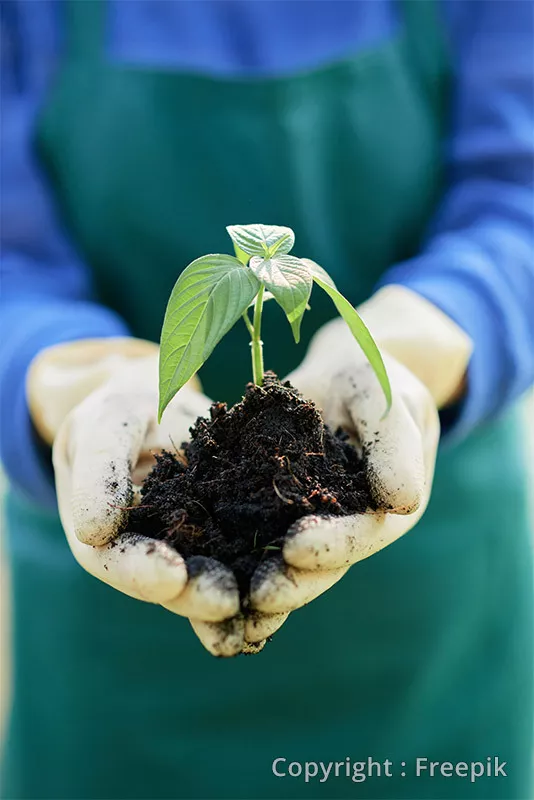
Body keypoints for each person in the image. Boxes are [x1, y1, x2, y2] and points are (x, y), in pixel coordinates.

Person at [1, 0, 533, 798]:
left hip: (429, 617)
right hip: (117, 650)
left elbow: (518, 196)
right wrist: (80, 376)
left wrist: (402, 346)